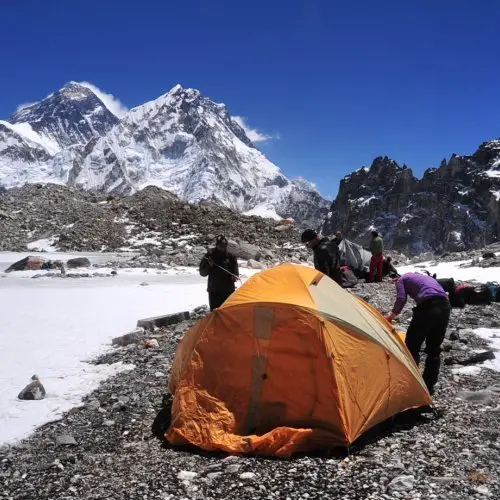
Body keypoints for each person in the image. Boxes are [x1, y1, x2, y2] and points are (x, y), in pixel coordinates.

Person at [384, 273, 451, 395]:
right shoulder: (425, 277)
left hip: (427, 306)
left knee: (412, 346)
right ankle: (428, 387)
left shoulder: (401, 280)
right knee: (434, 349)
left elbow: (401, 298)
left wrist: (390, 317)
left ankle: (411, 384)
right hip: (445, 306)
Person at [199, 235, 239, 311]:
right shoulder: (209, 256)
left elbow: (235, 270)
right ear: (217, 245)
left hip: (228, 290)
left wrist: (235, 276)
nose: (222, 248)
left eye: (224, 246)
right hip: (214, 291)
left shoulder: (231, 257)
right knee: (215, 313)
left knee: (228, 312)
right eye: (220, 246)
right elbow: (202, 273)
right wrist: (209, 266)